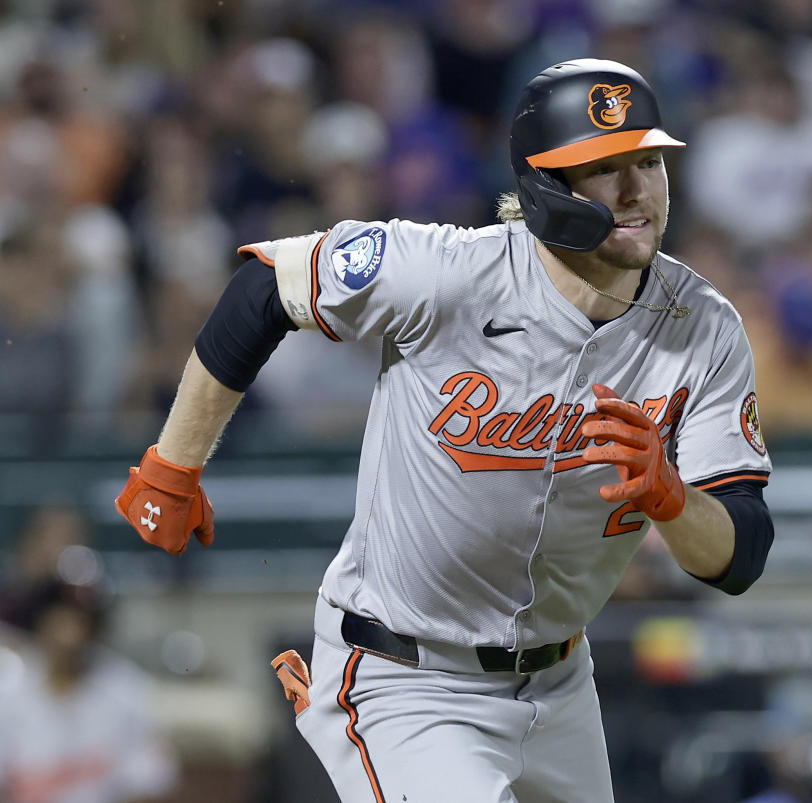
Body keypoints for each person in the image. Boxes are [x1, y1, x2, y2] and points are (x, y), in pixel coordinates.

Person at [114, 58, 774, 802]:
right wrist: (174, 465)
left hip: (560, 684)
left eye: (648, 161)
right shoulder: (447, 274)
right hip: (407, 677)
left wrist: (674, 501)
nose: (636, 189)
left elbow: (740, 552)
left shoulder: (705, 326)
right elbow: (265, 286)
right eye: (604, 167)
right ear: (545, 188)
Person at [0, 580, 179, 803]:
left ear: (96, 629)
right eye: (61, 618)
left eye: (82, 621)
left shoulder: (126, 688)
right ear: (41, 622)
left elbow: (154, 781)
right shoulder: (8, 688)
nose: (71, 635)